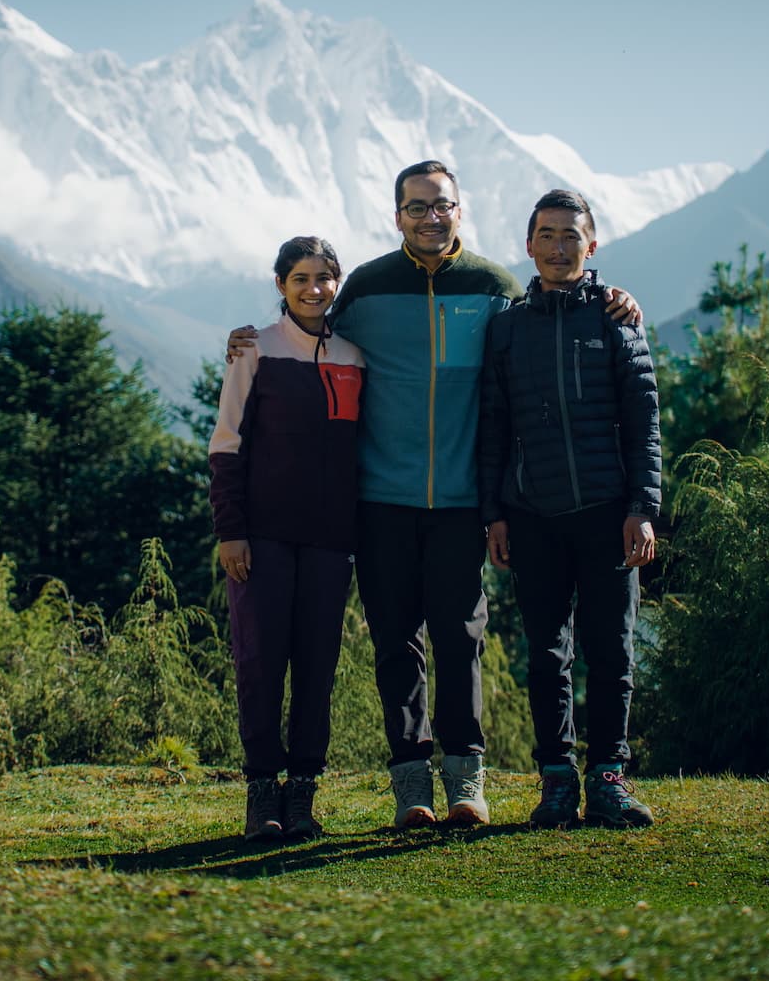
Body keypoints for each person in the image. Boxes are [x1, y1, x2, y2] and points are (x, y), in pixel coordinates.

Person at [228, 163, 641, 828]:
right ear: (397, 217)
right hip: (379, 499)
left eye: (440, 206)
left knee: (460, 640)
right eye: (416, 208)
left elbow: (549, 316)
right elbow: (308, 332)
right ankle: (411, 785)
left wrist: (611, 298)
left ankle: (466, 783)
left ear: (460, 210)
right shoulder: (365, 287)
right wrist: (245, 342)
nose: (429, 217)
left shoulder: (494, 288)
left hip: (460, 500)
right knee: (395, 642)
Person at [478, 189, 660, 828]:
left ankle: (608, 777)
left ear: (592, 245)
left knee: (611, 651)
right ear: (528, 245)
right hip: (532, 515)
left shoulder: (617, 319)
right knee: (546, 654)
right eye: (547, 235)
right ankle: (556, 780)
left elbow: (645, 420)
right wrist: (495, 514)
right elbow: (494, 426)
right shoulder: (506, 327)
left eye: (571, 236)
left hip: (609, 512)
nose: (559, 247)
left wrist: (642, 505)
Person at [208, 236, 366, 841]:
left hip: (330, 541)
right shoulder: (254, 351)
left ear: (337, 283)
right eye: (300, 277)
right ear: (280, 285)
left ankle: (302, 793)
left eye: (324, 277)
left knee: (317, 670)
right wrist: (232, 532)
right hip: (261, 540)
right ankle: (260, 794)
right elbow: (226, 445)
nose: (313, 288)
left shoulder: (355, 356)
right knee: (259, 665)